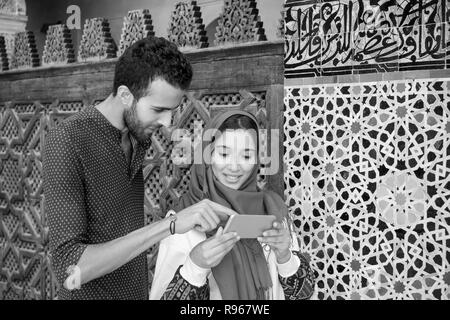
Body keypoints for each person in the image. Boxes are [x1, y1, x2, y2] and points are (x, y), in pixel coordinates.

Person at [43, 36, 239, 300]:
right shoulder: (67, 140)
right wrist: (169, 226)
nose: (168, 123)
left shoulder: (139, 137)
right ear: (125, 95)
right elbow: (70, 268)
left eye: (172, 110)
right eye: (158, 109)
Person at [150, 110, 315, 300]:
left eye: (246, 156)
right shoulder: (183, 220)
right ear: (208, 155)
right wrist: (195, 266)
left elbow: (304, 295)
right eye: (224, 154)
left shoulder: (273, 210)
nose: (235, 167)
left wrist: (285, 257)